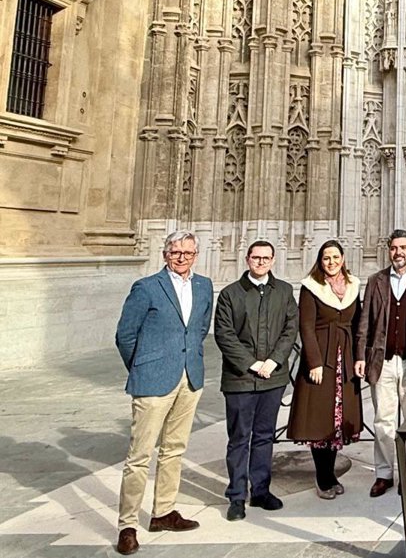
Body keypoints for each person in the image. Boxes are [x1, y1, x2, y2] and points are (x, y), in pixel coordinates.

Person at [114, 230, 213, 556]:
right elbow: (125, 335)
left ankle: (163, 512)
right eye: (175, 252)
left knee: (174, 449)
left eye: (188, 252)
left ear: (195, 255)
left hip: (189, 378)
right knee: (139, 456)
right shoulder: (146, 287)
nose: (182, 257)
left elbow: (199, 329)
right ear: (165, 254)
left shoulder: (204, 286)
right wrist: (143, 367)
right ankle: (127, 526)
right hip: (153, 380)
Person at [213, 239, 298, 521]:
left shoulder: (284, 291)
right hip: (240, 378)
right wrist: (252, 363)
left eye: (266, 258)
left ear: (273, 260)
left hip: (273, 377)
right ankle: (237, 496)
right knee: (239, 437)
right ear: (247, 259)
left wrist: (274, 361)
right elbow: (224, 334)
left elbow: (290, 329)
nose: (261, 262)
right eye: (256, 257)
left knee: (264, 436)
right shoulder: (230, 294)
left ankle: (260, 490)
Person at [354, 229, 406, 497]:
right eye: (394, 248)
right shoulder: (376, 280)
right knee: (383, 419)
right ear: (389, 250)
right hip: (384, 360)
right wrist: (361, 356)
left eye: (403, 247)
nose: (398, 252)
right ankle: (384, 474)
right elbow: (365, 321)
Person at [287, 239, 363, 499]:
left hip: (345, 359)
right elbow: (306, 327)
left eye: (335, 257)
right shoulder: (311, 287)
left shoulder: (353, 286)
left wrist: (359, 358)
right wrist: (314, 362)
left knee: (337, 421)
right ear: (320, 261)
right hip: (321, 358)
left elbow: (358, 324)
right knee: (319, 420)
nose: (331, 262)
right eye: (326, 258)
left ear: (343, 259)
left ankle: (330, 474)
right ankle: (322, 477)